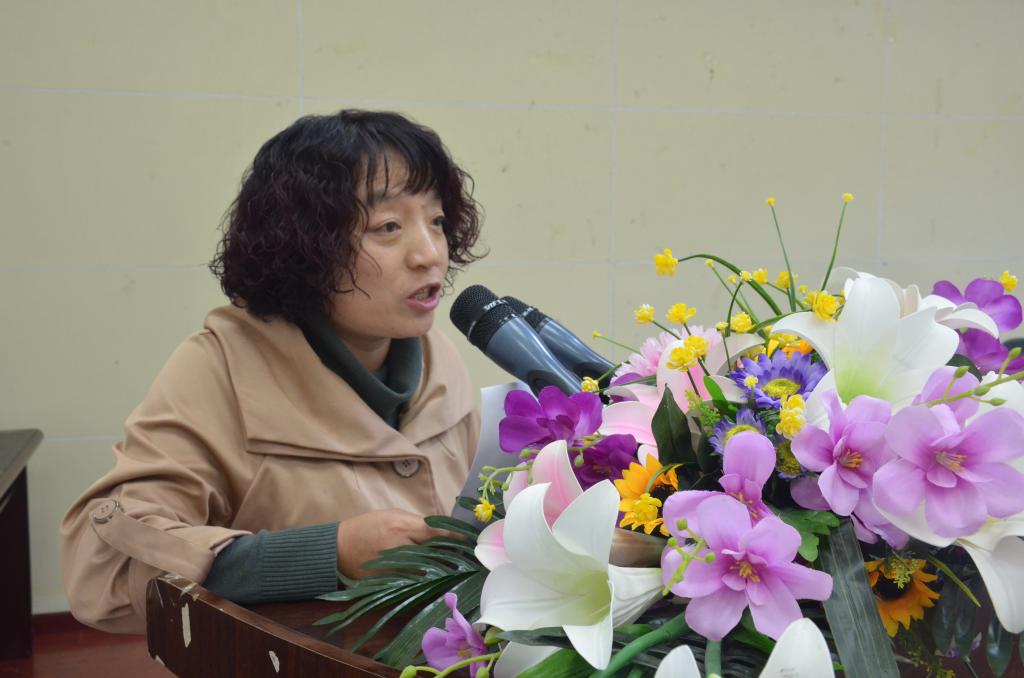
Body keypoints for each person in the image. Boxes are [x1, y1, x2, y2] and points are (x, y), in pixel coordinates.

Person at [60, 110, 484, 633]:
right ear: (306, 245)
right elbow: (103, 566)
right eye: (388, 227)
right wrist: (328, 553)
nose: (429, 254)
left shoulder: (439, 355)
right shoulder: (221, 366)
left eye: (436, 221)